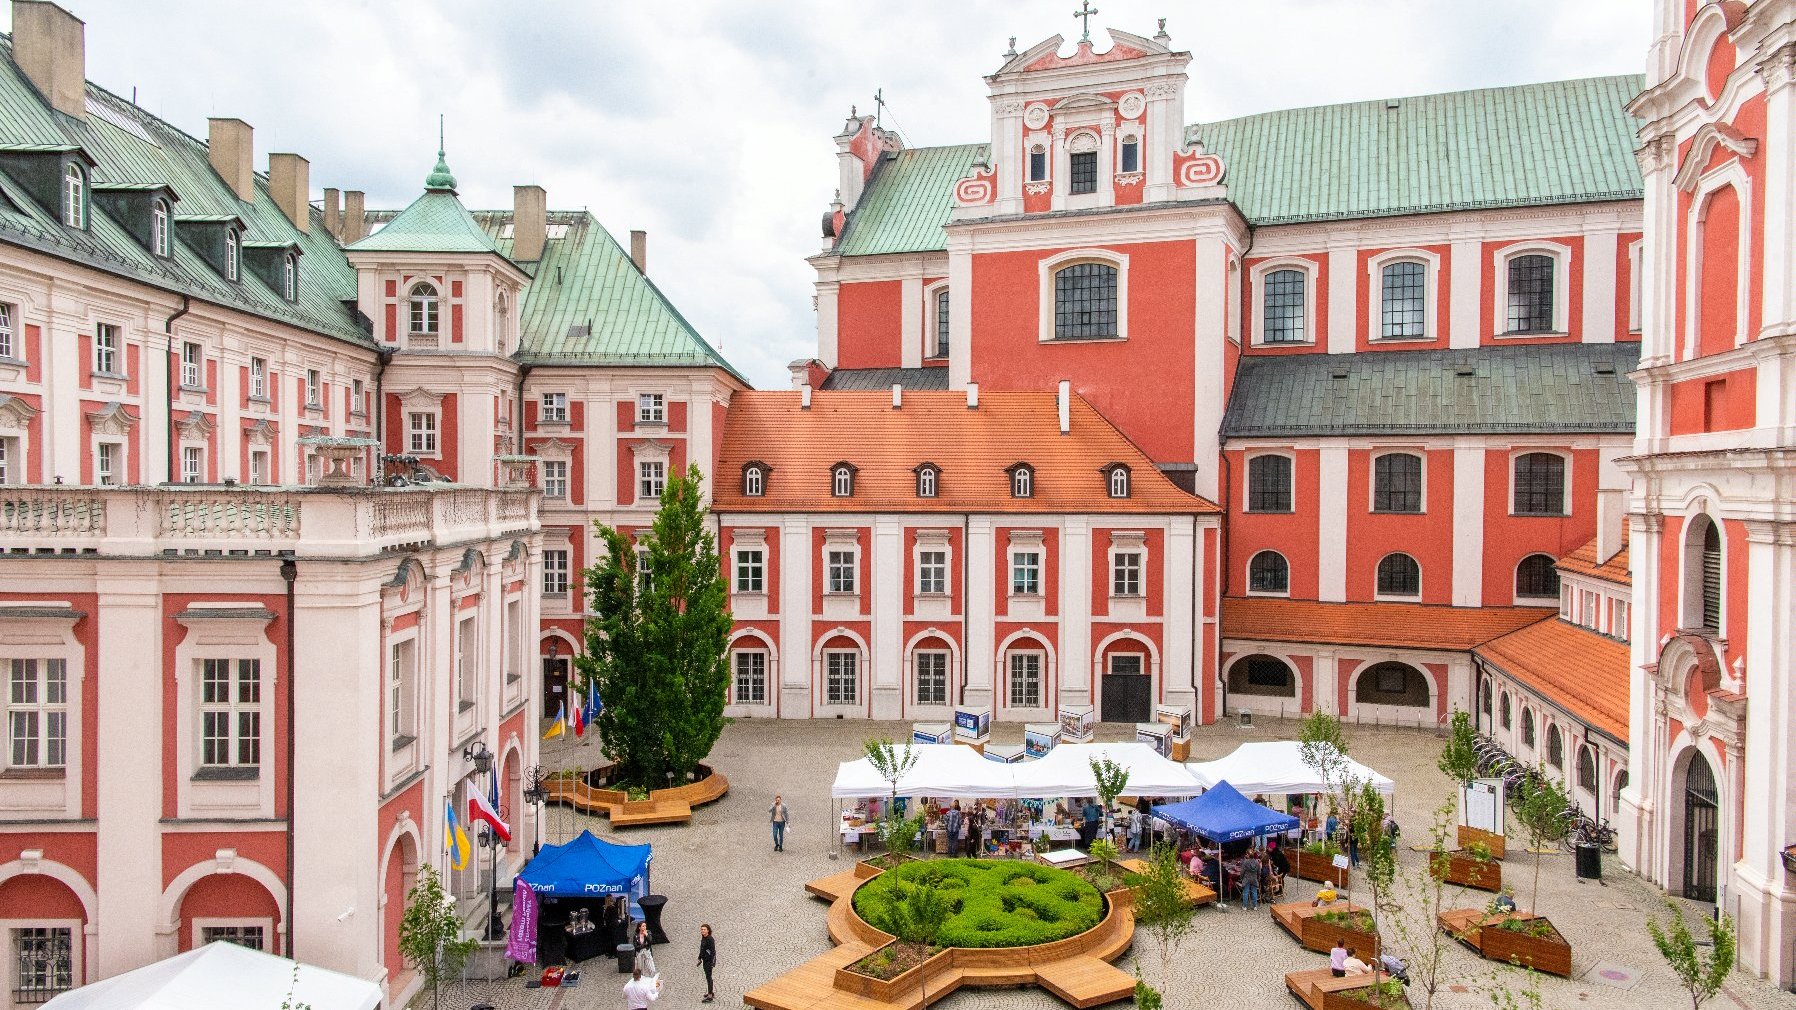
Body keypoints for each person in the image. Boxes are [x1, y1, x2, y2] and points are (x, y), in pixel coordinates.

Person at [697, 923, 717, 1003]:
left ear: (708, 930)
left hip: (708, 962)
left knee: (709, 977)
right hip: (705, 960)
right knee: (708, 977)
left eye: (704, 929)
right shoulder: (703, 938)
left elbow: (713, 952)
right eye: (701, 929)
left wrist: (712, 962)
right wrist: (699, 958)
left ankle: (710, 995)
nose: (702, 931)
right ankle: (711, 992)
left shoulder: (710, 939)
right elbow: (702, 949)